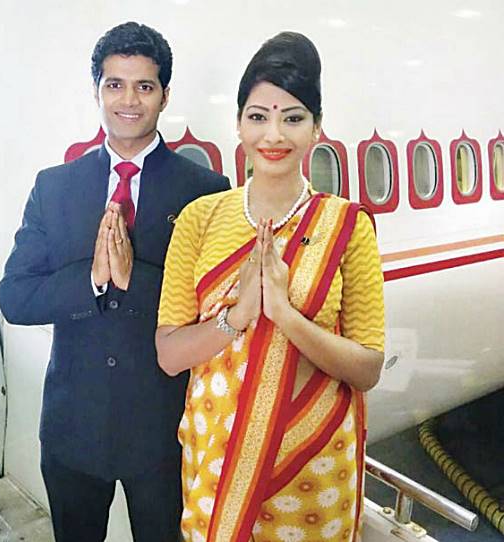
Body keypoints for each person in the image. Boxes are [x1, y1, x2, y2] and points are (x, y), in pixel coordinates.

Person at [0, 22, 229, 542]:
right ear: (97, 90)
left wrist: (132, 280)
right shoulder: (55, 187)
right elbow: (15, 296)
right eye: (114, 84)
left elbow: (215, 312)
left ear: (165, 96)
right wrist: (92, 281)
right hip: (72, 431)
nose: (128, 100)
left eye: (144, 86)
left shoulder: (206, 194)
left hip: (163, 433)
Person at [156, 32, 384, 542]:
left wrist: (284, 314)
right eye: (258, 116)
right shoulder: (200, 219)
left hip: (314, 471)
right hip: (217, 463)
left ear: (317, 129)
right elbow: (169, 355)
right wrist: (235, 318)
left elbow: (367, 367)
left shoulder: (347, 226)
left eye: (293, 117)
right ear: (238, 124)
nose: (274, 135)